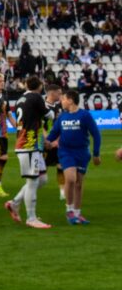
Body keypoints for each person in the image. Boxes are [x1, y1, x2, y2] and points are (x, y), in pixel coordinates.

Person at [5, 77, 56, 229]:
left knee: (42, 179)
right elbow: (50, 116)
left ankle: (14, 203)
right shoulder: (36, 97)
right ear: (40, 87)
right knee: (33, 181)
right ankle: (31, 218)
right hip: (28, 145)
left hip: (33, 144)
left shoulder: (21, 99)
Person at [46, 89, 102, 224]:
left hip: (82, 153)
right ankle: (69, 211)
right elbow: (53, 134)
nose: (61, 101)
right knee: (71, 179)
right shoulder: (62, 117)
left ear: (70, 100)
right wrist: (46, 143)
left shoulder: (85, 115)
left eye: (63, 99)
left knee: (79, 184)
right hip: (66, 152)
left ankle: (77, 212)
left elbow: (96, 134)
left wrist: (96, 154)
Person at [42, 84, 66, 202]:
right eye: (59, 93)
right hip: (46, 143)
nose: (61, 95)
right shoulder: (42, 106)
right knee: (43, 168)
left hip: (59, 143)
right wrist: (48, 140)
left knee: (61, 166)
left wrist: (59, 140)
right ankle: (34, 190)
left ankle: (62, 192)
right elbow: (40, 127)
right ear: (52, 93)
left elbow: (62, 124)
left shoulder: (59, 106)